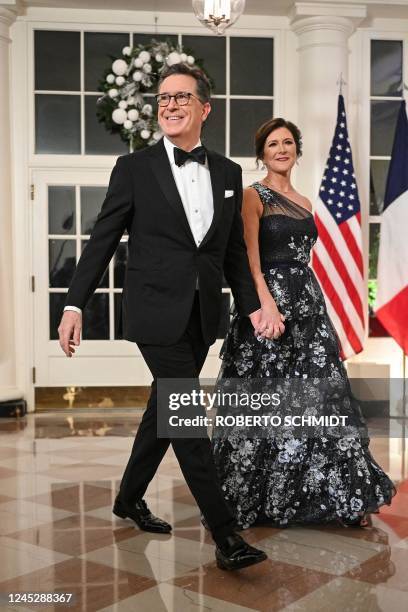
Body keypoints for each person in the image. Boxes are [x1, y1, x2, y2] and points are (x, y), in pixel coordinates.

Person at [58, 62, 272, 571]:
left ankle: (128, 497)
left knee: (164, 411)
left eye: (181, 97)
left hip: (202, 315)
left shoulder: (226, 172)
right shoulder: (134, 168)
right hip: (155, 313)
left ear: (204, 108)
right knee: (187, 417)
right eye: (163, 98)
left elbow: (233, 256)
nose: (170, 105)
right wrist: (73, 303)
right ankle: (225, 536)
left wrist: (254, 308)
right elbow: (103, 239)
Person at [212, 117, 396, 529]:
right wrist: (266, 305)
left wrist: (299, 304)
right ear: (261, 153)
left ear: (296, 150)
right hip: (268, 302)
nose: (282, 149)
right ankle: (260, 497)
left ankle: (334, 497)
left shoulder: (307, 202)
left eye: (288, 142)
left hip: (308, 305)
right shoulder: (251, 196)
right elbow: (248, 260)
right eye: (273, 143)